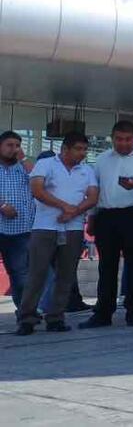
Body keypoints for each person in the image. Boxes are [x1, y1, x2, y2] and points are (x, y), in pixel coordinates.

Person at [80, 121, 133, 329]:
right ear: (112, 138)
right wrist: (91, 217)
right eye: (119, 139)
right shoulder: (101, 159)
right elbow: (95, 190)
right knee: (106, 266)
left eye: (128, 139)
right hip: (106, 215)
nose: (123, 144)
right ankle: (103, 312)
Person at [15, 133, 99, 335]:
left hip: (73, 228)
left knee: (66, 275)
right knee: (37, 273)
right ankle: (27, 318)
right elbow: (37, 189)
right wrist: (64, 207)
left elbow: (93, 196)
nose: (83, 153)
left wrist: (75, 211)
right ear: (65, 149)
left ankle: (56, 317)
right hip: (45, 227)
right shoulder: (46, 164)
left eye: (85, 149)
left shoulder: (86, 170)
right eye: (78, 149)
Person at [0, 131, 34, 308]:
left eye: (17, 145)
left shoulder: (24, 167)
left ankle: (25, 316)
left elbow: (38, 183)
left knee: (20, 275)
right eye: (9, 145)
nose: (14, 149)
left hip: (20, 231)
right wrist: (2, 206)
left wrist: (24, 158)